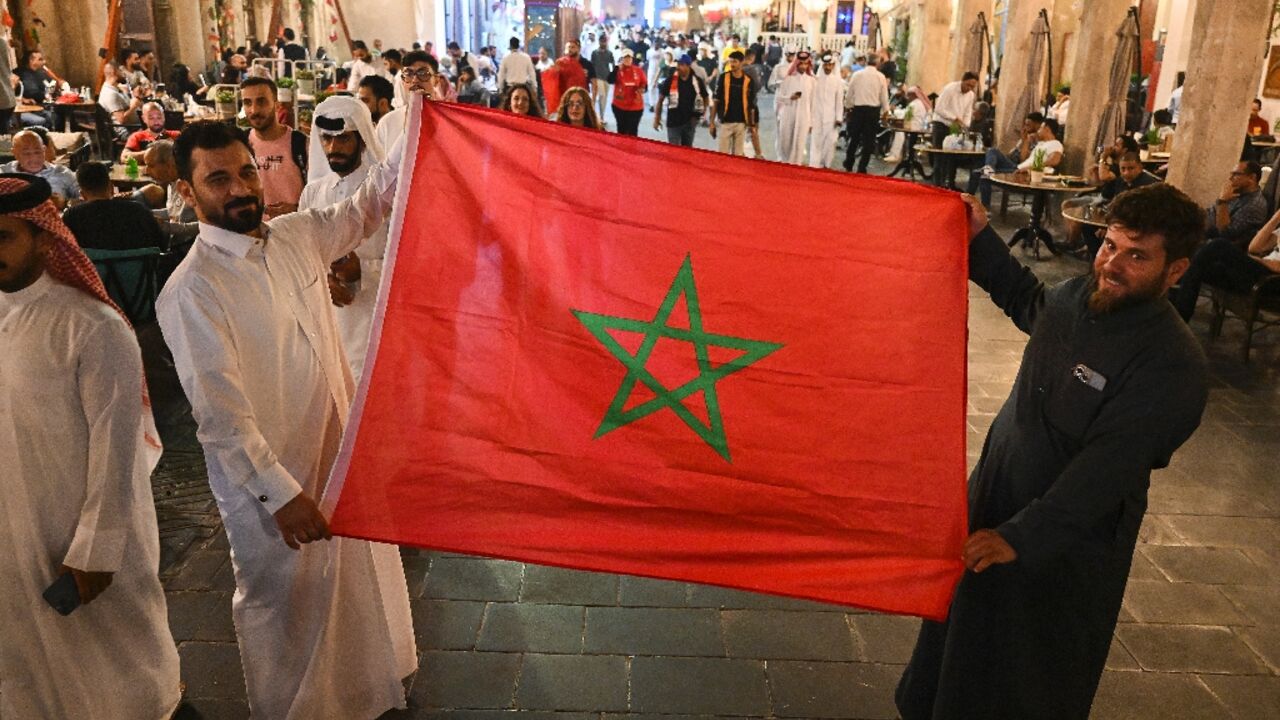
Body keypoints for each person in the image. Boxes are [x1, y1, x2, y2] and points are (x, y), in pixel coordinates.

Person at [897, 184, 1208, 720]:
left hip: (1061, 551)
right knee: (954, 657)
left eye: (1137, 256)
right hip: (993, 503)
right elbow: (1028, 302)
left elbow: (1104, 473)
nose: (1112, 264)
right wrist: (977, 237)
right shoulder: (1075, 297)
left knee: (1025, 680)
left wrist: (1020, 538)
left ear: (1175, 270)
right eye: (1111, 245)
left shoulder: (1171, 364)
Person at [156, 120, 417, 719]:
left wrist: (418, 114)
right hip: (274, 487)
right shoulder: (192, 290)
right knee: (287, 605)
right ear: (189, 192)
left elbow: (374, 197)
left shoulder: (299, 234)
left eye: (246, 171)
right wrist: (280, 494)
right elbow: (221, 417)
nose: (239, 188)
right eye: (218, 178)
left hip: (338, 456)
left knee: (355, 585)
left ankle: (365, 694)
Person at [0, 173, 182, 720]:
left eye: (4, 237)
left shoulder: (94, 327)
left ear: (44, 237)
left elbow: (116, 453)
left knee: (116, 668)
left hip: (78, 538)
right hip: (13, 525)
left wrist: (95, 551)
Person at [299, 96, 388, 384]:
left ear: (362, 138)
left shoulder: (385, 192)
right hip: (327, 322)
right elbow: (301, 255)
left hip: (376, 321)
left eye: (343, 139)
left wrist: (364, 272)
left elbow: (409, 262)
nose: (333, 148)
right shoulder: (313, 193)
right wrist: (325, 279)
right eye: (326, 139)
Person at [1172, 203, 1280, 322]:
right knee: (1203, 266)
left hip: (1271, 280)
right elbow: (1254, 248)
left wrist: (1256, 259)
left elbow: (1277, 267)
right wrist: (1276, 218)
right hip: (1261, 270)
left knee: (1218, 245)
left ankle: (1181, 314)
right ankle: (1171, 308)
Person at [1064, 152, 1161, 258]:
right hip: (1120, 220)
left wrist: (1110, 227)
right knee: (1087, 226)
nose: (1126, 173)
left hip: (1139, 225)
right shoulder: (1120, 181)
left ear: (1140, 167)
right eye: (1123, 169)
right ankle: (1096, 259)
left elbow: (1138, 213)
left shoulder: (1148, 186)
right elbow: (1111, 201)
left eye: (1131, 168)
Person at [240, 76, 307, 219]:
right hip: (254, 235)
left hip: (294, 233)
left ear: (277, 105)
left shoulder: (301, 144)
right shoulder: (240, 145)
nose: (254, 110)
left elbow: (321, 196)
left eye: (261, 101)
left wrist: (297, 209)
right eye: (247, 103)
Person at [63, 162, 167, 251]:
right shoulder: (138, 210)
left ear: (83, 195)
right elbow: (161, 244)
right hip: (139, 273)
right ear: (112, 188)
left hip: (92, 273)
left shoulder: (71, 217)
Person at [965, 112, 1046, 206]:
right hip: (1010, 164)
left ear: (1037, 125)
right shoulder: (1026, 136)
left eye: (1028, 125)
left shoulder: (1038, 141)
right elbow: (1011, 154)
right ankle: (968, 203)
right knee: (979, 172)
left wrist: (1025, 142)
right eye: (1025, 124)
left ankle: (985, 206)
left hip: (1018, 169)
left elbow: (1023, 160)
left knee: (992, 152)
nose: (1025, 127)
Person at [375, 51, 436, 149]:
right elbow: (379, 163)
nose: (415, 80)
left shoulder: (451, 121)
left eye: (423, 74)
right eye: (409, 74)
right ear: (403, 82)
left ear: (436, 80)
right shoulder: (387, 123)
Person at [1, 130, 78, 208]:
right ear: (14, 153)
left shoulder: (62, 172)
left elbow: (86, 198)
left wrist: (65, 202)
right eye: (26, 153)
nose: (34, 158)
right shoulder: (4, 173)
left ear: (44, 149)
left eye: (37, 152)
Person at [1204, 160, 1268, 247]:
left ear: (1252, 178)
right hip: (1204, 232)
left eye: (1236, 174)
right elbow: (1210, 212)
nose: (1230, 178)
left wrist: (1222, 202)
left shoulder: (1255, 205)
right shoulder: (1236, 193)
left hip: (1220, 247)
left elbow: (1224, 234)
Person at [842, 60, 889, 173]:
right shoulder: (880, 76)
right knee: (869, 140)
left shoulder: (857, 75)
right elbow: (884, 95)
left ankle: (849, 161)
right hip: (873, 111)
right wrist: (886, 111)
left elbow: (850, 93)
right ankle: (862, 166)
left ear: (866, 63)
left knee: (854, 137)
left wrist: (848, 106)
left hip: (858, 110)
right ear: (877, 65)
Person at [709, 51, 759, 157]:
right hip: (725, 122)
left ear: (741, 62)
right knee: (723, 155)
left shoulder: (749, 81)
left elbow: (751, 106)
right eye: (730, 61)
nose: (732, 64)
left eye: (735, 62)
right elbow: (716, 100)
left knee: (738, 156)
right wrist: (712, 122)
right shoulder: (723, 78)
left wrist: (752, 125)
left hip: (741, 123)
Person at [654, 53, 707, 147]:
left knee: (687, 151)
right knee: (674, 151)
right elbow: (660, 99)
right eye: (677, 64)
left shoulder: (697, 81)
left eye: (681, 65)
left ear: (688, 66)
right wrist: (657, 118)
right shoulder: (670, 80)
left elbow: (705, 98)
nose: (678, 67)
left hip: (690, 122)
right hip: (673, 122)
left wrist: (702, 114)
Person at [775, 51, 815, 165]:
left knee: (799, 144)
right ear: (796, 64)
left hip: (804, 116)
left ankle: (796, 167)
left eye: (805, 64)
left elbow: (813, 103)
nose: (803, 66)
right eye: (801, 63)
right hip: (788, 114)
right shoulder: (788, 79)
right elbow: (779, 98)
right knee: (786, 142)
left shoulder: (811, 81)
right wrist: (790, 97)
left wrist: (811, 122)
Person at [808, 53, 845, 169]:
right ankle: (814, 165)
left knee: (831, 141)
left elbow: (839, 101)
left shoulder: (838, 82)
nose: (828, 67)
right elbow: (810, 99)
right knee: (816, 141)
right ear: (822, 65)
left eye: (830, 65)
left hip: (831, 117)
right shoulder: (816, 80)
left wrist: (839, 117)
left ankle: (825, 164)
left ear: (833, 65)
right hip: (816, 116)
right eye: (826, 65)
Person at [99, 63, 147, 140]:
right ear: (114, 72)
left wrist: (135, 96)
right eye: (121, 71)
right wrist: (133, 107)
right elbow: (121, 119)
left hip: (136, 127)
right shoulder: (111, 94)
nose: (124, 74)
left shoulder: (114, 88)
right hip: (128, 132)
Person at [931, 72, 979, 148]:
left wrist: (965, 125)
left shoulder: (971, 95)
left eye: (972, 87)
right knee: (939, 151)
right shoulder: (950, 88)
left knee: (953, 153)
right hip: (941, 124)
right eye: (968, 85)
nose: (969, 88)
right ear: (963, 80)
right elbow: (939, 108)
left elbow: (968, 112)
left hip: (956, 128)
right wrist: (954, 118)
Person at [609, 49, 646, 136]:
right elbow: (610, 80)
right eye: (625, 58)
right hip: (619, 106)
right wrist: (616, 68)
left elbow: (644, 84)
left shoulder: (638, 70)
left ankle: (631, 148)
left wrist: (642, 89)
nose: (627, 60)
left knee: (633, 131)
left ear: (632, 59)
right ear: (621, 59)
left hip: (635, 107)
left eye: (629, 58)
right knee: (621, 130)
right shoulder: (617, 70)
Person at [16, 50, 57, 127]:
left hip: (41, 107)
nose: (44, 62)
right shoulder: (21, 73)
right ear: (31, 61)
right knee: (50, 118)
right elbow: (32, 93)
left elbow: (53, 85)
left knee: (55, 116)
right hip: (28, 109)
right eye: (40, 59)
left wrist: (53, 77)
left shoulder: (41, 73)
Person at [590, 34, 615, 121]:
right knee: (602, 95)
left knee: (604, 98)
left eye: (604, 41)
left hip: (607, 77)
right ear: (599, 42)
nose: (603, 43)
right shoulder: (594, 53)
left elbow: (613, 64)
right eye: (602, 41)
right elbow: (591, 65)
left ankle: (601, 116)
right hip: (598, 77)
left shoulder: (609, 53)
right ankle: (599, 117)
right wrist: (591, 77)